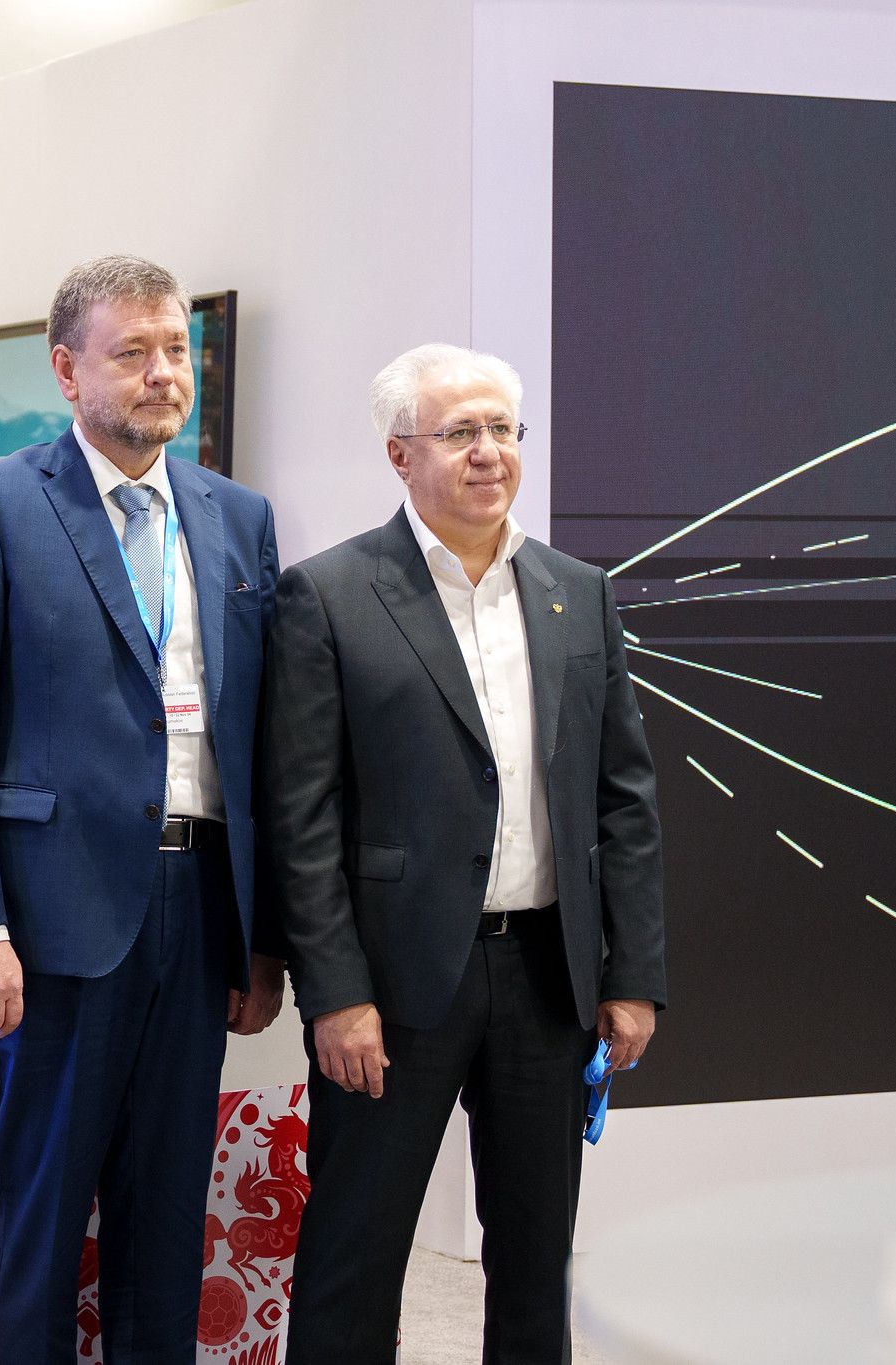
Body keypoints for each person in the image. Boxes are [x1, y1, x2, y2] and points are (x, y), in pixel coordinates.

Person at [0, 255, 284, 1362]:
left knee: (169, 1214)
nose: (163, 373)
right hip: (51, 922)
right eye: (133, 353)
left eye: (176, 351)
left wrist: (262, 940)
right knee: (41, 1211)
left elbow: (253, 737)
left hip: (198, 905)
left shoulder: (237, 516)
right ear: (68, 372)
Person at [259, 343, 666, 1363]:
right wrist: (334, 993)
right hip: (393, 988)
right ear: (400, 455)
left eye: (502, 430)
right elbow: (300, 815)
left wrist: (634, 975)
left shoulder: (579, 592)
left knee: (535, 1258)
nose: (488, 453)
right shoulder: (330, 595)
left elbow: (625, 799)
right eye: (459, 433)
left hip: (546, 976)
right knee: (356, 1248)